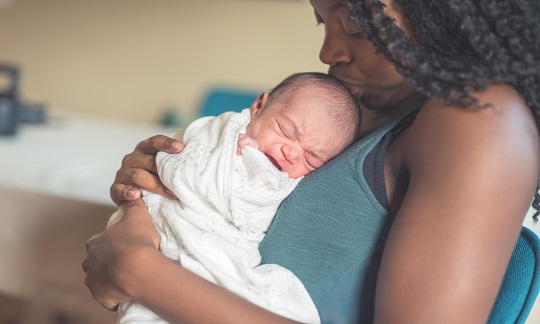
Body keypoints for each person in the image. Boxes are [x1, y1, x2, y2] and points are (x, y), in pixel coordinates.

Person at [83, 0, 540, 323]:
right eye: (322, 22)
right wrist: (157, 196)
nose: (328, 53)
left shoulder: (481, 120)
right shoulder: (375, 117)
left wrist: (137, 272)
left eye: (357, 24)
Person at [107, 72, 359, 324]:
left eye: (311, 159)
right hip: (165, 236)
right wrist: (229, 154)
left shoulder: (291, 179)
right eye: (285, 131)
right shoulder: (223, 132)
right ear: (259, 106)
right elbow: (185, 168)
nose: (291, 153)